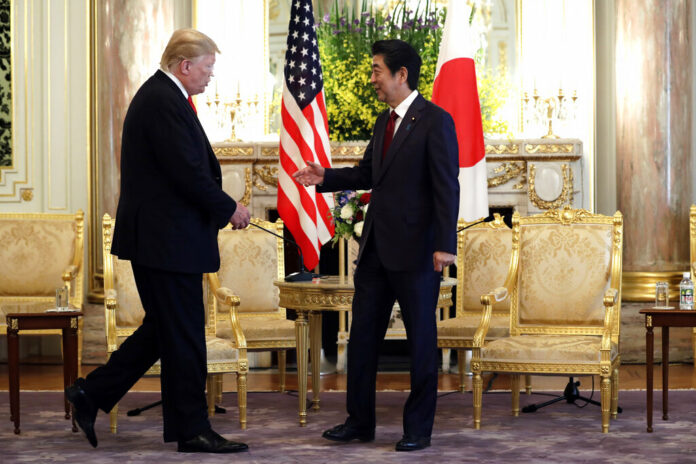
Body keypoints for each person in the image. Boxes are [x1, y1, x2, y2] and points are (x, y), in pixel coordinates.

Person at [65, 29, 251, 454]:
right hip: (168, 243)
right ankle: (193, 431)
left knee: (165, 331)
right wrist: (230, 209)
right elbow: (187, 173)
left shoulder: (163, 98)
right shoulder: (163, 102)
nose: (210, 77)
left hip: (165, 241)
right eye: (207, 68)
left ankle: (90, 394)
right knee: (184, 337)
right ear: (185, 66)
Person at [294, 39, 459, 452]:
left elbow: (446, 187)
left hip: (418, 253)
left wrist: (444, 245)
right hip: (375, 252)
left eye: (376, 71)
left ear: (401, 75)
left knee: (421, 341)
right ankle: (358, 421)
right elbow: (369, 173)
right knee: (363, 338)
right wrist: (324, 177)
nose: (372, 79)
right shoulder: (383, 123)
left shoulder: (436, 121)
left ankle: (418, 428)